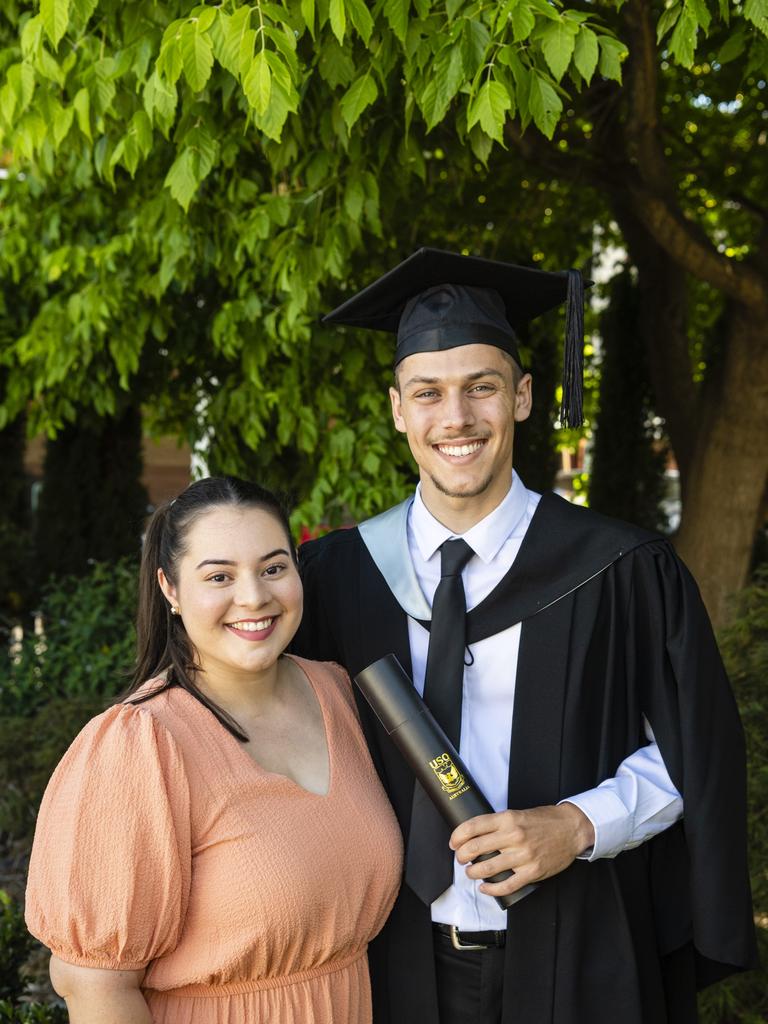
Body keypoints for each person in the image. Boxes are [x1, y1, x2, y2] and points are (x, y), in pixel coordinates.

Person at [292, 247, 757, 1024]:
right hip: (386, 959)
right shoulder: (336, 577)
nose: (457, 418)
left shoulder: (620, 568)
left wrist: (580, 825)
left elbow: (697, 751)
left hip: (581, 949)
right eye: (429, 393)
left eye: (482, 387)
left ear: (524, 396)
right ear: (397, 408)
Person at [26, 476, 402, 1024]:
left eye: (273, 568)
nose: (253, 597)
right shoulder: (141, 745)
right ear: (171, 589)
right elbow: (94, 987)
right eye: (219, 576)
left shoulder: (340, 693)